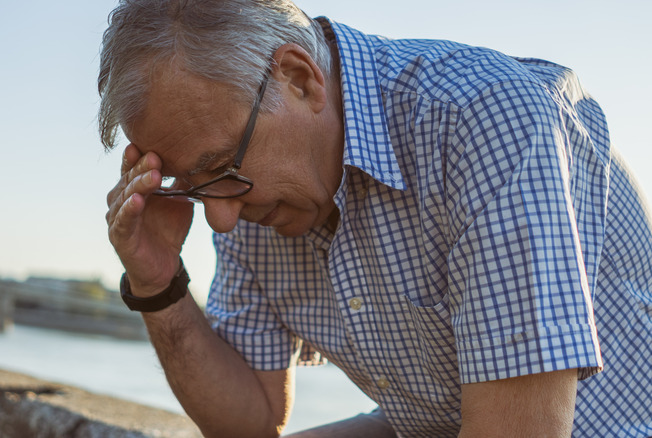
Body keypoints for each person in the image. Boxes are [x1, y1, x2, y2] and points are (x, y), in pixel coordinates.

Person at [99, 0, 652, 436]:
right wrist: (157, 281)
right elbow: (250, 423)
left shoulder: (481, 120)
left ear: (299, 78)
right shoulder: (250, 185)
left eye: (221, 168)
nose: (221, 219)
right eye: (194, 188)